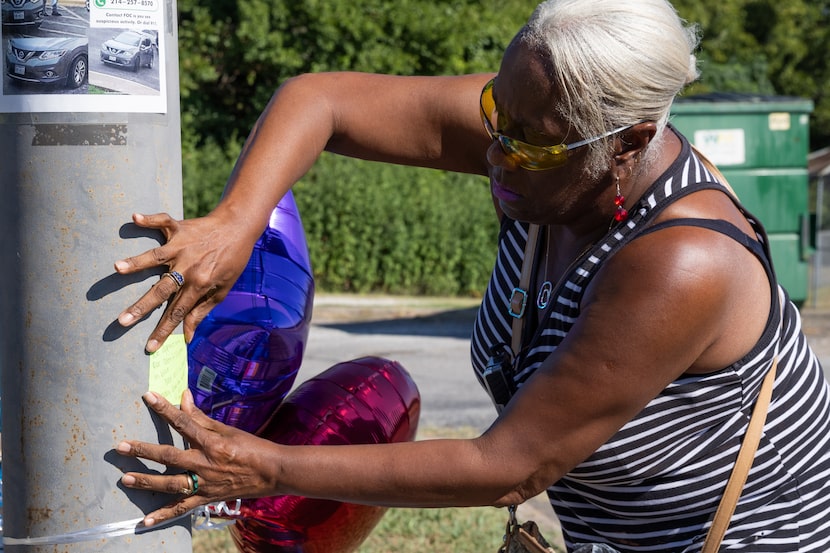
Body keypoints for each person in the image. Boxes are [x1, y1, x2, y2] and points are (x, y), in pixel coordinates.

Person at [114, 0, 830, 550]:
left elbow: (510, 465)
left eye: (532, 143)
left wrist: (266, 465)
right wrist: (237, 221)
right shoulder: (540, 122)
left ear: (630, 139)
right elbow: (321, 100)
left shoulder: (682, 260)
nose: (495, 153)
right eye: (497, 114)